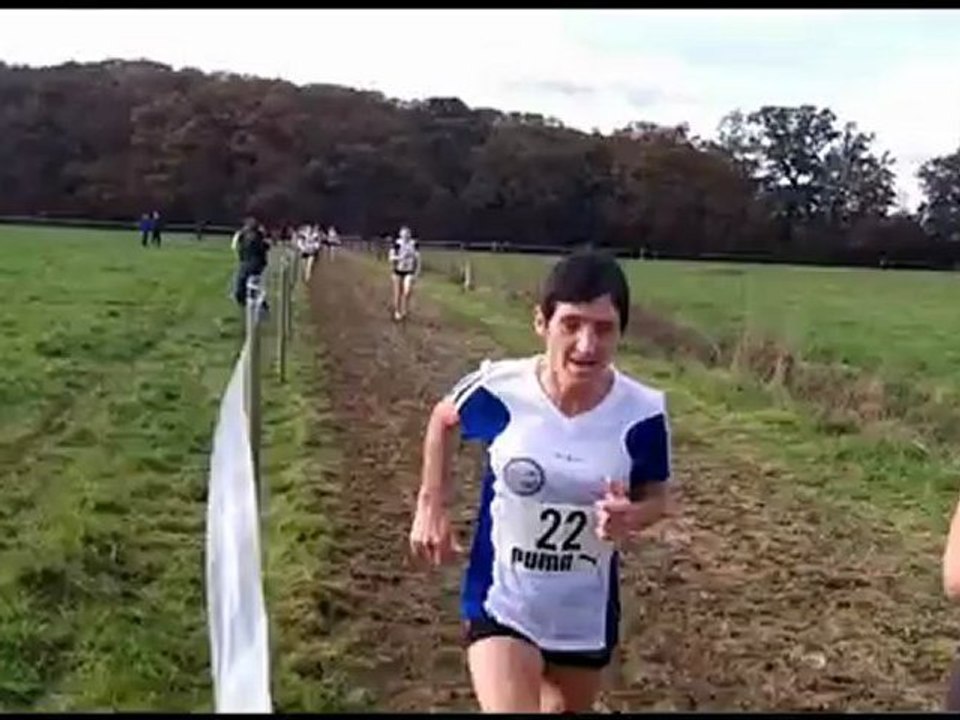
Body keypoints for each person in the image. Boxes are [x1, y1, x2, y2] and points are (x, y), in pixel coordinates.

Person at [408, 251, 674, 713]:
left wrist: (631, 517)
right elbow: (445, 418)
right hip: (502, 602)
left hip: (582, 614)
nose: (587, 345)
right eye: (571, 324)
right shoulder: (500, 388)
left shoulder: (643, 412)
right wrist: (432, 505)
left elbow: (657, 499)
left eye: (604, 328)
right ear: (541, 324)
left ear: (621, 332)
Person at [232, 216, 271, 309]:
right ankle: (254, 303)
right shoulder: (256, 235)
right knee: (251, 283)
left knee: (244, 282)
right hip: (254, 263)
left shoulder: (251, 236)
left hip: (251, 263)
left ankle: (251, 304)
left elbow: (237, 247)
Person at [388, 225, 421, 321]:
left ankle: (404, 309)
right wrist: (399, 258)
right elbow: (391, 258)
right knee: (398, 292)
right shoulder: (397, 244)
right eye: (404, 234)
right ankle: (397, 311)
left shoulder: (414, 244)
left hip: (409, 271)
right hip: (398, 271)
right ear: (400, 235)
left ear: (410, 235)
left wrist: (417, 272)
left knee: (407, 291)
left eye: (407, 234)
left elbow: (418, 259)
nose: (406, 236)